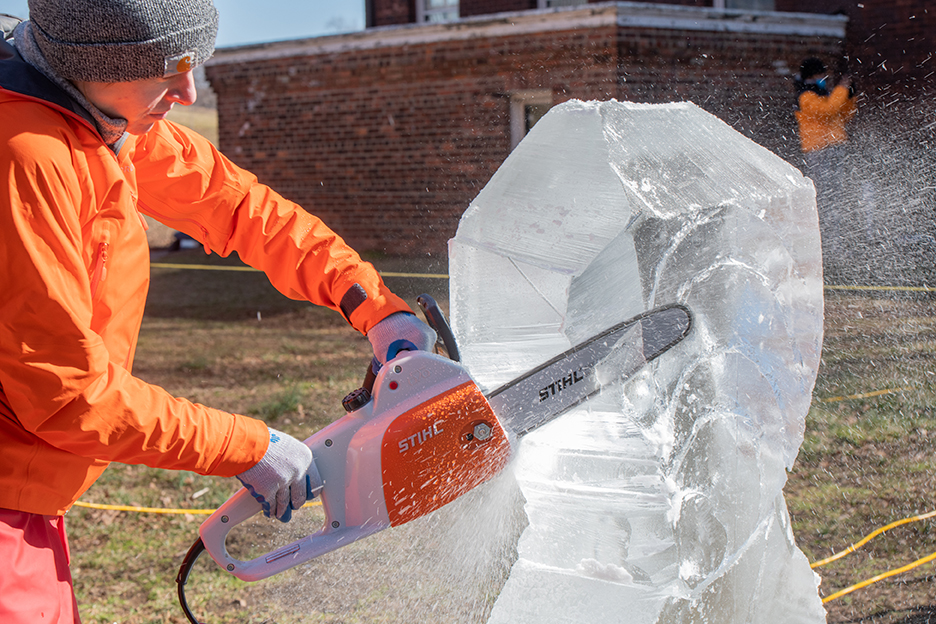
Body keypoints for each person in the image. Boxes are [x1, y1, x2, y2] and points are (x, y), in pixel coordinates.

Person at [0, 1, 436, 622]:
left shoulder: (103, 121)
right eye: (168, 69)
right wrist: (248, 445)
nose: (188, 91)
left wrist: (374, 305)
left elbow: (239, 208)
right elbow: (68, 396)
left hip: (29, 495)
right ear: (98, 58)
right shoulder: (26, 154)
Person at [793, 56, 858, 281]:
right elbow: (828, 111)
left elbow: (843, 114)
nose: (823, 79)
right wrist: (841, 89)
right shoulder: (806, 96)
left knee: (836, 200)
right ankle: (827, 249)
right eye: (821, 75)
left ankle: (835, 246)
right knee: (826, 201)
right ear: (812, 76)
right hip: (820, 151)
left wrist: (849, 96)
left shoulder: (822, 94)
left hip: (833, 148)